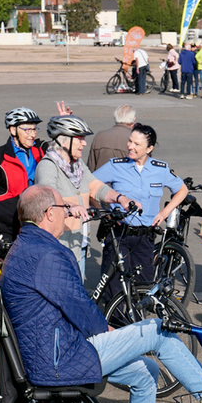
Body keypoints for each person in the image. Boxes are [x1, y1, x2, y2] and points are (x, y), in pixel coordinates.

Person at [0, 185, 202, 403]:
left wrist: (110, 332)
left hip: (52, 353)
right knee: (158, 330)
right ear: (48, 214)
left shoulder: (27, 246)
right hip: (60, 360)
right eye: (63, 208)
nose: (68, 212)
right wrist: (109, 331)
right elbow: (80, 308)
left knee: (147, 371)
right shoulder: (46, 255)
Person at [93, 123, 188, 305]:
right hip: (119, 235)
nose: (130, 146)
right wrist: (103, 210)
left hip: (145, 238)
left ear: (149, 148)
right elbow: (90, 185)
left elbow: (182, 190)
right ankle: (116, 326)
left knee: (143, 286)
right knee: (115, 288)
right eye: (130, 141)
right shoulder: (115, 166)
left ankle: (135, 325)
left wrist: (165, 212)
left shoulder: (160, 169)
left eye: (137, 144)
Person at [35, 115, 136, 282]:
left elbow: (96, 187)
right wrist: (69, 206)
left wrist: (121, 198)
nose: (84, 143)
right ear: (64, 141)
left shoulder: (78, 165)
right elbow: (48, 197)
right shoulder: (48, 166)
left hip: (77, 244)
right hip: (59, 247)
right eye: (80, 139)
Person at [0, 107, 46, 252]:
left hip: (35, 223)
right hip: (7, 228)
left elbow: (61, 146)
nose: (32, 134)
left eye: (35, 129)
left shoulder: (40, 150)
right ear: (13, 130)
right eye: (27, 129)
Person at [87, 104, 136, 172]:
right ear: (133, 121)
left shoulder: (99, 136)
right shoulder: (135, 140)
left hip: (99, 180)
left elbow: (91, 166)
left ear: (115, 118)